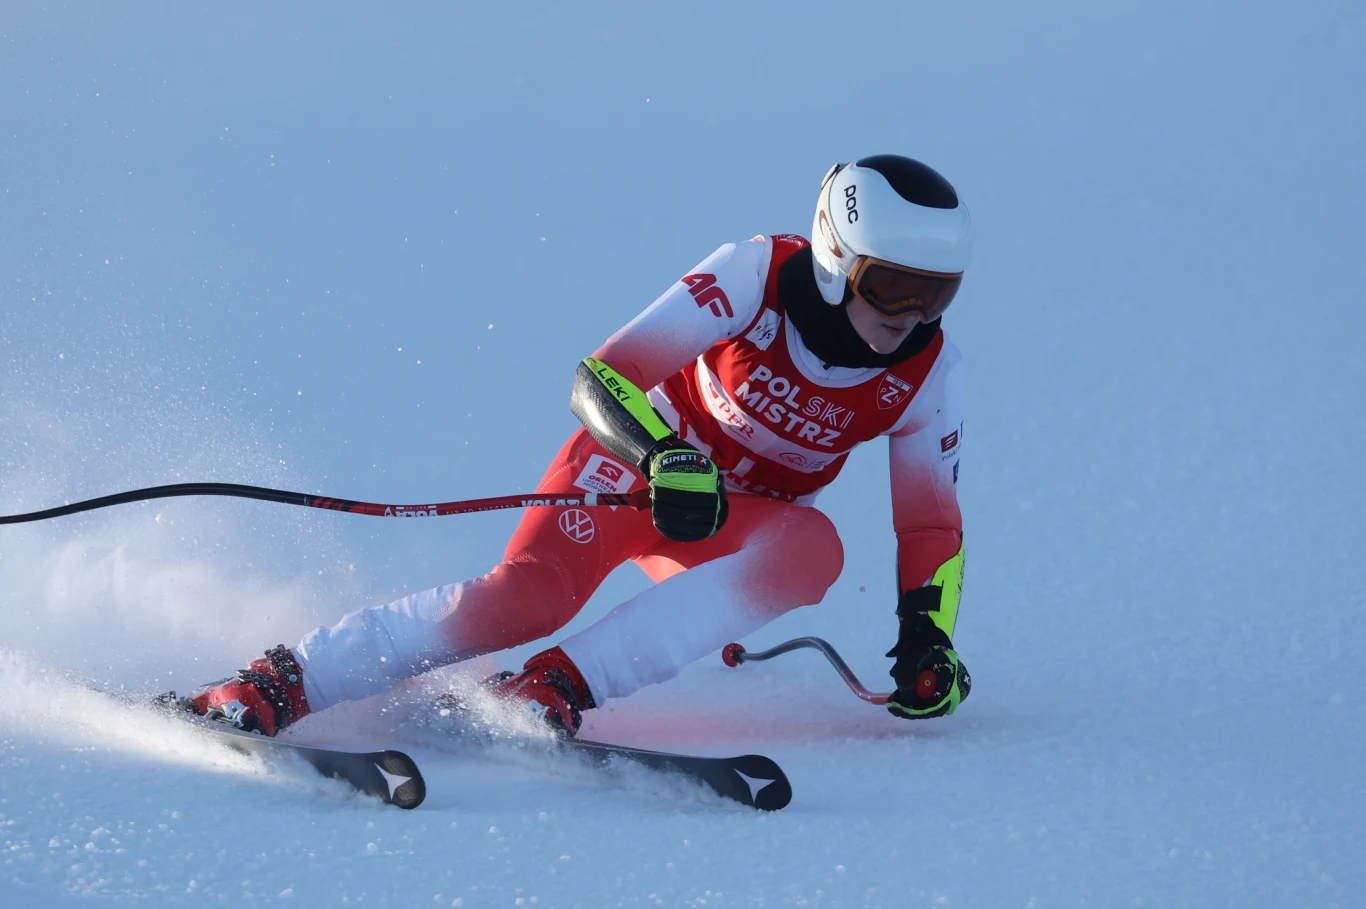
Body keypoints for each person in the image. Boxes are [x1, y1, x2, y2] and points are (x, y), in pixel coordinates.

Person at [189, 154, 974, 737]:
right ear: (837, 258)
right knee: (528, 597)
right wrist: (664, 454)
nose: (908, 315)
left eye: (935, 294)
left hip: (722, 526)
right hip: (634, 473)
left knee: (813, 549)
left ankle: (553, 687)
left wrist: (927, 634)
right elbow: (603, 376)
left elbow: (931, 525)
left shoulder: (928, 373)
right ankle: (277, 682)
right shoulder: (752, 274)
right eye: (889, 286)